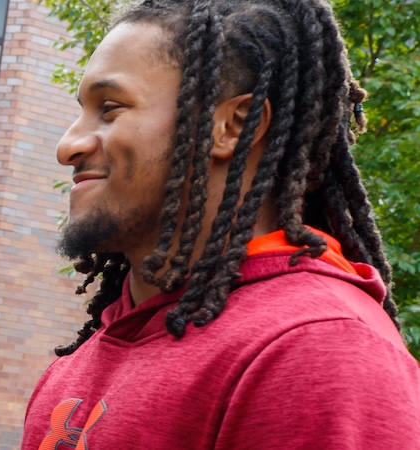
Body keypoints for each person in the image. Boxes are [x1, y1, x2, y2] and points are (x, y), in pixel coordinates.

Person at [24, 0, 420, 447]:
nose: (67, 145)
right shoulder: (77, 365)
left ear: (233, 126)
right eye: (81, 110)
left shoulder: (318, 351)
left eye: (110, 108)